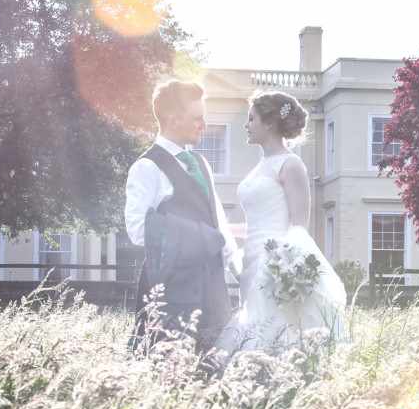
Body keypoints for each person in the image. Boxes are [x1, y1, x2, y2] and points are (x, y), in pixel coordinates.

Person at [219, 90, 346, 351]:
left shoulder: (291, 165)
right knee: (252, 324)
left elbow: (299, 226)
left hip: (275, 265)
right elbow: (256, 223)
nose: (247, 125)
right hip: (250, 261)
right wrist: (223, 230)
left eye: (251, 119)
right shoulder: (260, 166)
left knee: (277, 330)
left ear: (269, 123)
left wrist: (283, 267)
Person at [124, 80, 241, 352]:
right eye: (197, 118)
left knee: (214, 362)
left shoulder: (201, 163)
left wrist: (238, 269)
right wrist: (199, 237)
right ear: (173, 119)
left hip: (212, 284)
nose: (204, 125)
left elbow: (218, 222)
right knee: (169, 363)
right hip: (172, 289)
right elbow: (138, 230)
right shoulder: (146, 167)